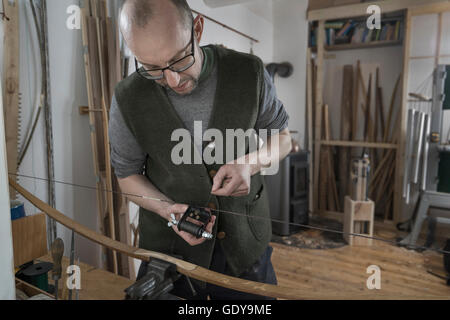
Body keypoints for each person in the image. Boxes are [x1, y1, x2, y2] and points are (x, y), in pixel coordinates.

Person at [109, 0, 292, 299]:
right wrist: (168, 211)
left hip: (245, 246)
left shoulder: (249, 72)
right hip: (169, 256)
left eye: (179, 60)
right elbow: (126, 175)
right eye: (151, 68)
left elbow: (283, 139)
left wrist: (251, 164)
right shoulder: (128, 98)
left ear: (197, 28)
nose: (172, 80)